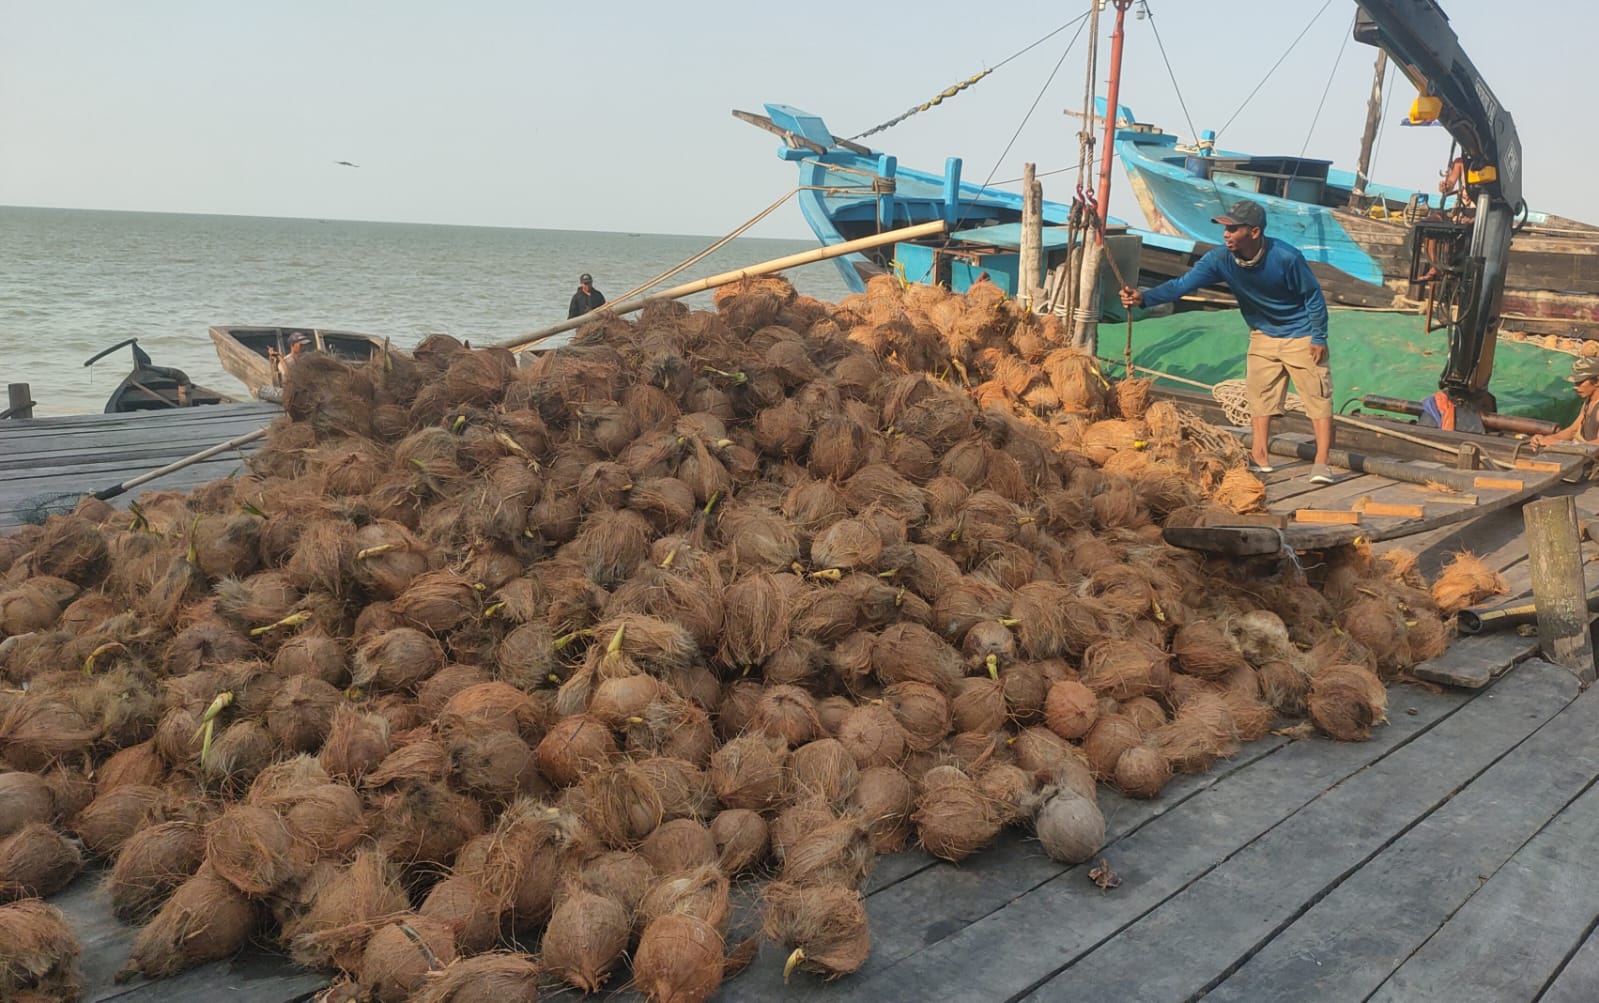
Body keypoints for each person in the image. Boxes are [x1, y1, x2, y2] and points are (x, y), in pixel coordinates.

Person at [1120, 199, 1336, 484]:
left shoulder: (1286, 257)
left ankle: (1322, 463)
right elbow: (1181, 285)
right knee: (1260, 397)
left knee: (1317, 399)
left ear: (1254, 232)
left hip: (1301, 334)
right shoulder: (1219, 259)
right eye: (1225, 228)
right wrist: (1144, 297)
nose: (1226, 234)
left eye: (1233, 229)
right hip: (1262, 334)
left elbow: (1312, 296)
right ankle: (1260, 456)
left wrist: (1318, 336)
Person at [1531, 356, 1599, 448]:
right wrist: (1547, 439)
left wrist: (1560, 444)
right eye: (1575, 383)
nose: (1575, 387)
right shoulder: (1589, 401)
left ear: (1597, 381)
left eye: (1580, 382)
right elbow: (1572, 431)